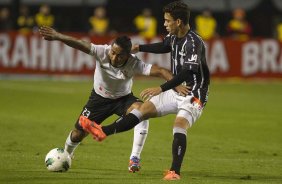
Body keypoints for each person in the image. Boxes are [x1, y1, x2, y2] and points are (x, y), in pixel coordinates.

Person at [79, 1, 210, 181]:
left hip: (194, 92)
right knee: (143, 110)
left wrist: (161, 88)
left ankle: (174, 172)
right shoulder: (174, 37)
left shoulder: (194, 43)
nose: (164, 24)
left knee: (179, 125)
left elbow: (188, 71)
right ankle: (103, 131)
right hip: (176, 90)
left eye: (167, 21)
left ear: (178, 22)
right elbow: (164, 46)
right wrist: (140, 47)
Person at [38, 26, 188, 173]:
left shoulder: (134, 63)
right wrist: (58, 36)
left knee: (142, 113)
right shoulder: (101, 52)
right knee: (78, 134)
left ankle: (134, 158)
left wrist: (177, 86)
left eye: (119, 55)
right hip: (98, 99)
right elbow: (79, 43)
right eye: (113, 52)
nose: (114, 57)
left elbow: (162, 71)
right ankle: (66, 154)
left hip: (123, 99)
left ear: (128, 55)